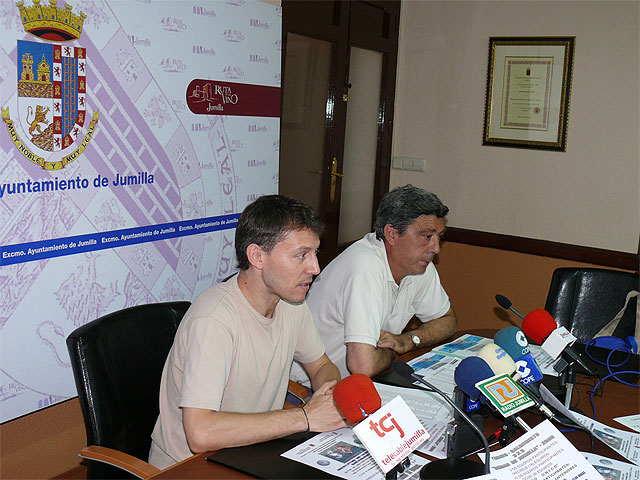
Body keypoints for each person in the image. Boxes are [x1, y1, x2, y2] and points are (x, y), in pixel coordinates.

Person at [149, 195, 346, 469]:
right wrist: (306, 417)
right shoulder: (214, 319)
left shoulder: (290, 301)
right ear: (257, 256)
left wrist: (328, 393)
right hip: (190, 467)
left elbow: (321, 364)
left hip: (250, 453)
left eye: (315, 253)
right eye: (302, 255)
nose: (315, 268)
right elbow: (200, 433)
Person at [292, 185, 456, 382]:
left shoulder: (419, 265)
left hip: (356, 385)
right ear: (392, 234)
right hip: (303, 391)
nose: (436, 248)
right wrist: (394, 351)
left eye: (440, 237)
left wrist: (408, 340)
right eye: (427, 236)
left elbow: (447, 320)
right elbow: (363, 366)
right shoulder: (365, 265)